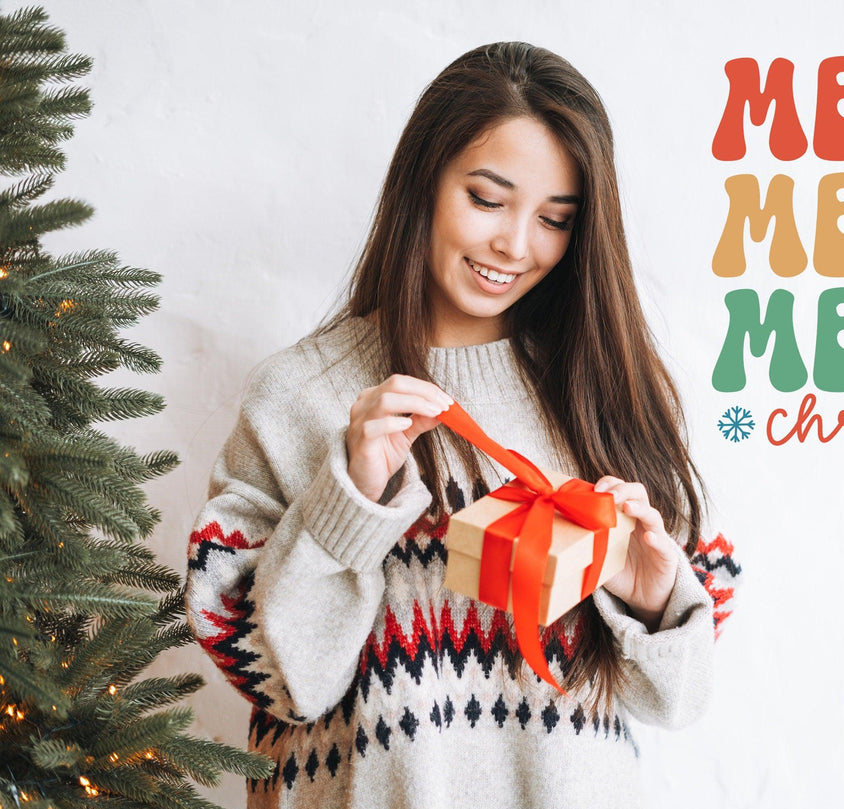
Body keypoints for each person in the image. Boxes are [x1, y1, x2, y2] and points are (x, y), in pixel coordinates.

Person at [185, 41, 740, 809]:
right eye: (487, 199)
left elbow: (675, 700)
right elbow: (285, 685)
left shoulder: (603, 394)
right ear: (425, 183)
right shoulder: (300, 397)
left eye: (554, 218)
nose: (516, 245)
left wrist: (650, 600)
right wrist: (347, 503)